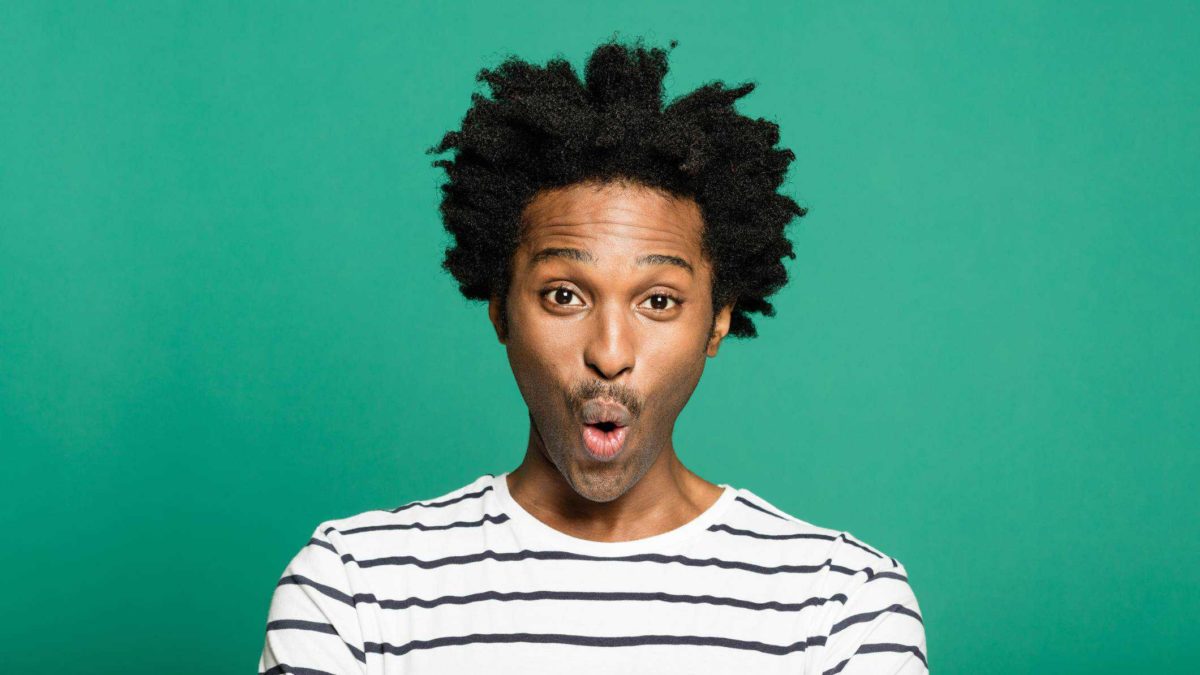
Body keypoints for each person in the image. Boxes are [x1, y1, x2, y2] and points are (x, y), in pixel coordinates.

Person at [258, 38, 927, 675]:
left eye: (658, 301)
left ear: (717, 319)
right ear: (500, 307)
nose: (610, 354)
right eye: (564, 294)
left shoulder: (844, 603)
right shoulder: (355, 588)